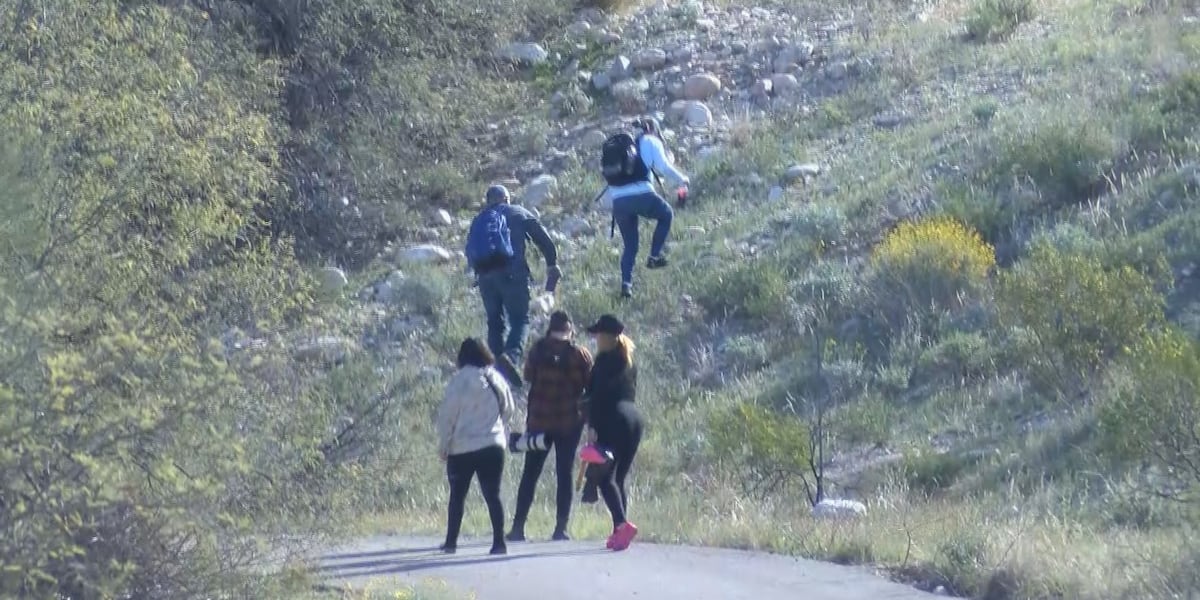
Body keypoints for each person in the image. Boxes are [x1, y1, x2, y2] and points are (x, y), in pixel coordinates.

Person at [506, 310, 594, 543]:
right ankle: (560, 529)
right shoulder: (580, 355)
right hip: (569, 423)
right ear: (570, 331)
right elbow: (591, 388)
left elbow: (527, 378)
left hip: (539, 421)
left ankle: (517, 528)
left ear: (550, 329)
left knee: (530, 475)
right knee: (564, 474)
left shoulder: (537, 351)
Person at [464, 184, 561, 388]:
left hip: (485, 279)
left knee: (494, 322)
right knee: (520, 319)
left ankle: (494, 370)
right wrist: (552, 264)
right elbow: (544, 240)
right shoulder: (517, 212)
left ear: (487, 201)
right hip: (513, 275)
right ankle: (511, 357)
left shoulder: (479, 220)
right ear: (507, 199)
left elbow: (470, 252)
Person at [435, 338, 516, 556]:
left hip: (461, 448)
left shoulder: (457, 382)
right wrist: (496, 425)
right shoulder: (495, 377)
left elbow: (447, 417)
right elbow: (509, 409)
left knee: (457, 496)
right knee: (493, 495)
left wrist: (444, 445)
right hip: (492, 445)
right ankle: (499, 542)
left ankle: (451, 542)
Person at [599, 117, 690, 299]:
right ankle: (654, 257)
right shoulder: (650, 141)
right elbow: (663, 167)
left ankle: (626, 285)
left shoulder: (624, 148)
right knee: (666, 214)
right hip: (642, 195)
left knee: (630, 245)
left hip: (619, 202)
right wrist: (683, 180)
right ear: (652, 129)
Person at [581, 314, 644, 551]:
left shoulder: (604, 362)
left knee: (604, 477)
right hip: (633, 420)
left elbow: (598, 398)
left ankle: (621, 524)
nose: (596, 338)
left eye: (598, 334)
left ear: (607, 337)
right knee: (618, 479)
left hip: (612, 420)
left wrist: (592, 428)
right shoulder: (629, 361)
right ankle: (621, 533)